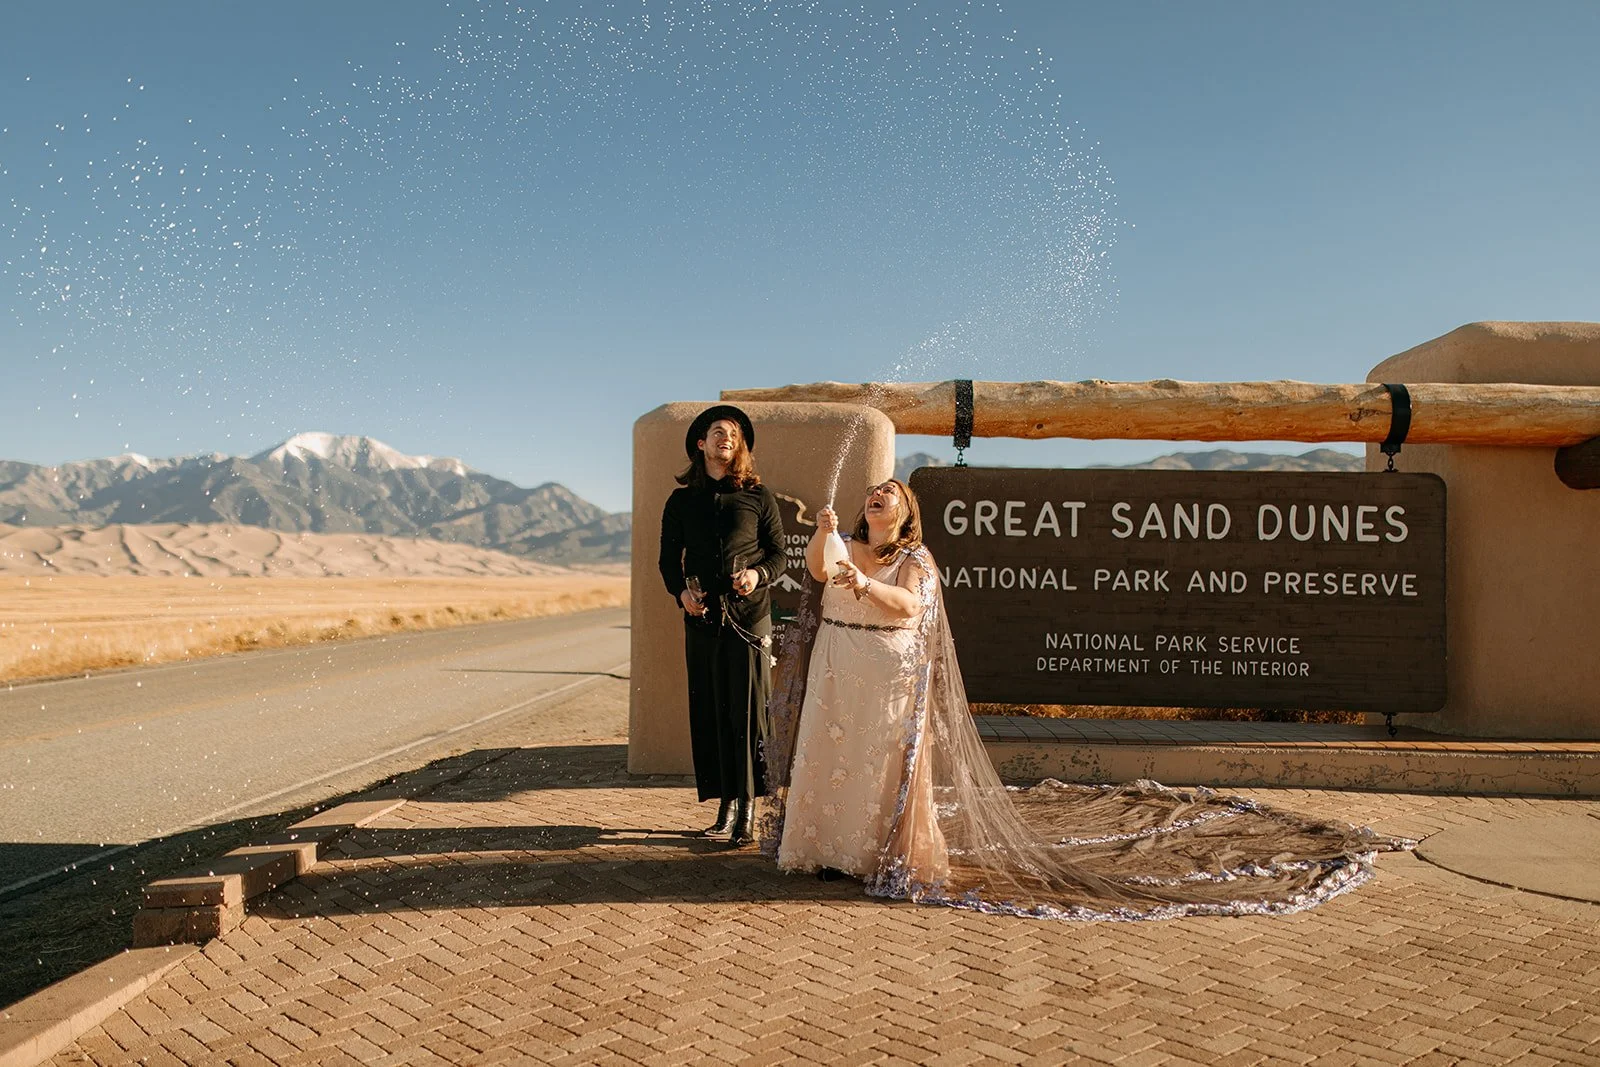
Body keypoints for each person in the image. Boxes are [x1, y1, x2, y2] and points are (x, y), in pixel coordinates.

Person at [773, 478, 1408, 919]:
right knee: (831, 755)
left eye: (891, 493)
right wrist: (827, 536)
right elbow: (823, 573)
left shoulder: (916, 557)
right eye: (873, 493)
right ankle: (825, 851)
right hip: (838, 662)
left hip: (884, 669)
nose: (877, 496)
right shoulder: (848, 544)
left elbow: (912, 607)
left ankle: (868, 856)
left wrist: (866, 585)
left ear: (906, 513)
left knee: (874, 762)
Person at [659, 405, 785, 848]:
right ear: (701, 443)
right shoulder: (680, 501)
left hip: (749, 620)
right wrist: (682, 595)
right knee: (712, 711)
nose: (725, 437)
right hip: (703, 619)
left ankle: (748, 809)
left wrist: (757, 576)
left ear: (739, 447)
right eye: (717, 431)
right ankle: (725, 806)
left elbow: (778, 554)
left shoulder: (759, 496)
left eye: (733, 433)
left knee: (748, 714)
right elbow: (667, 561)